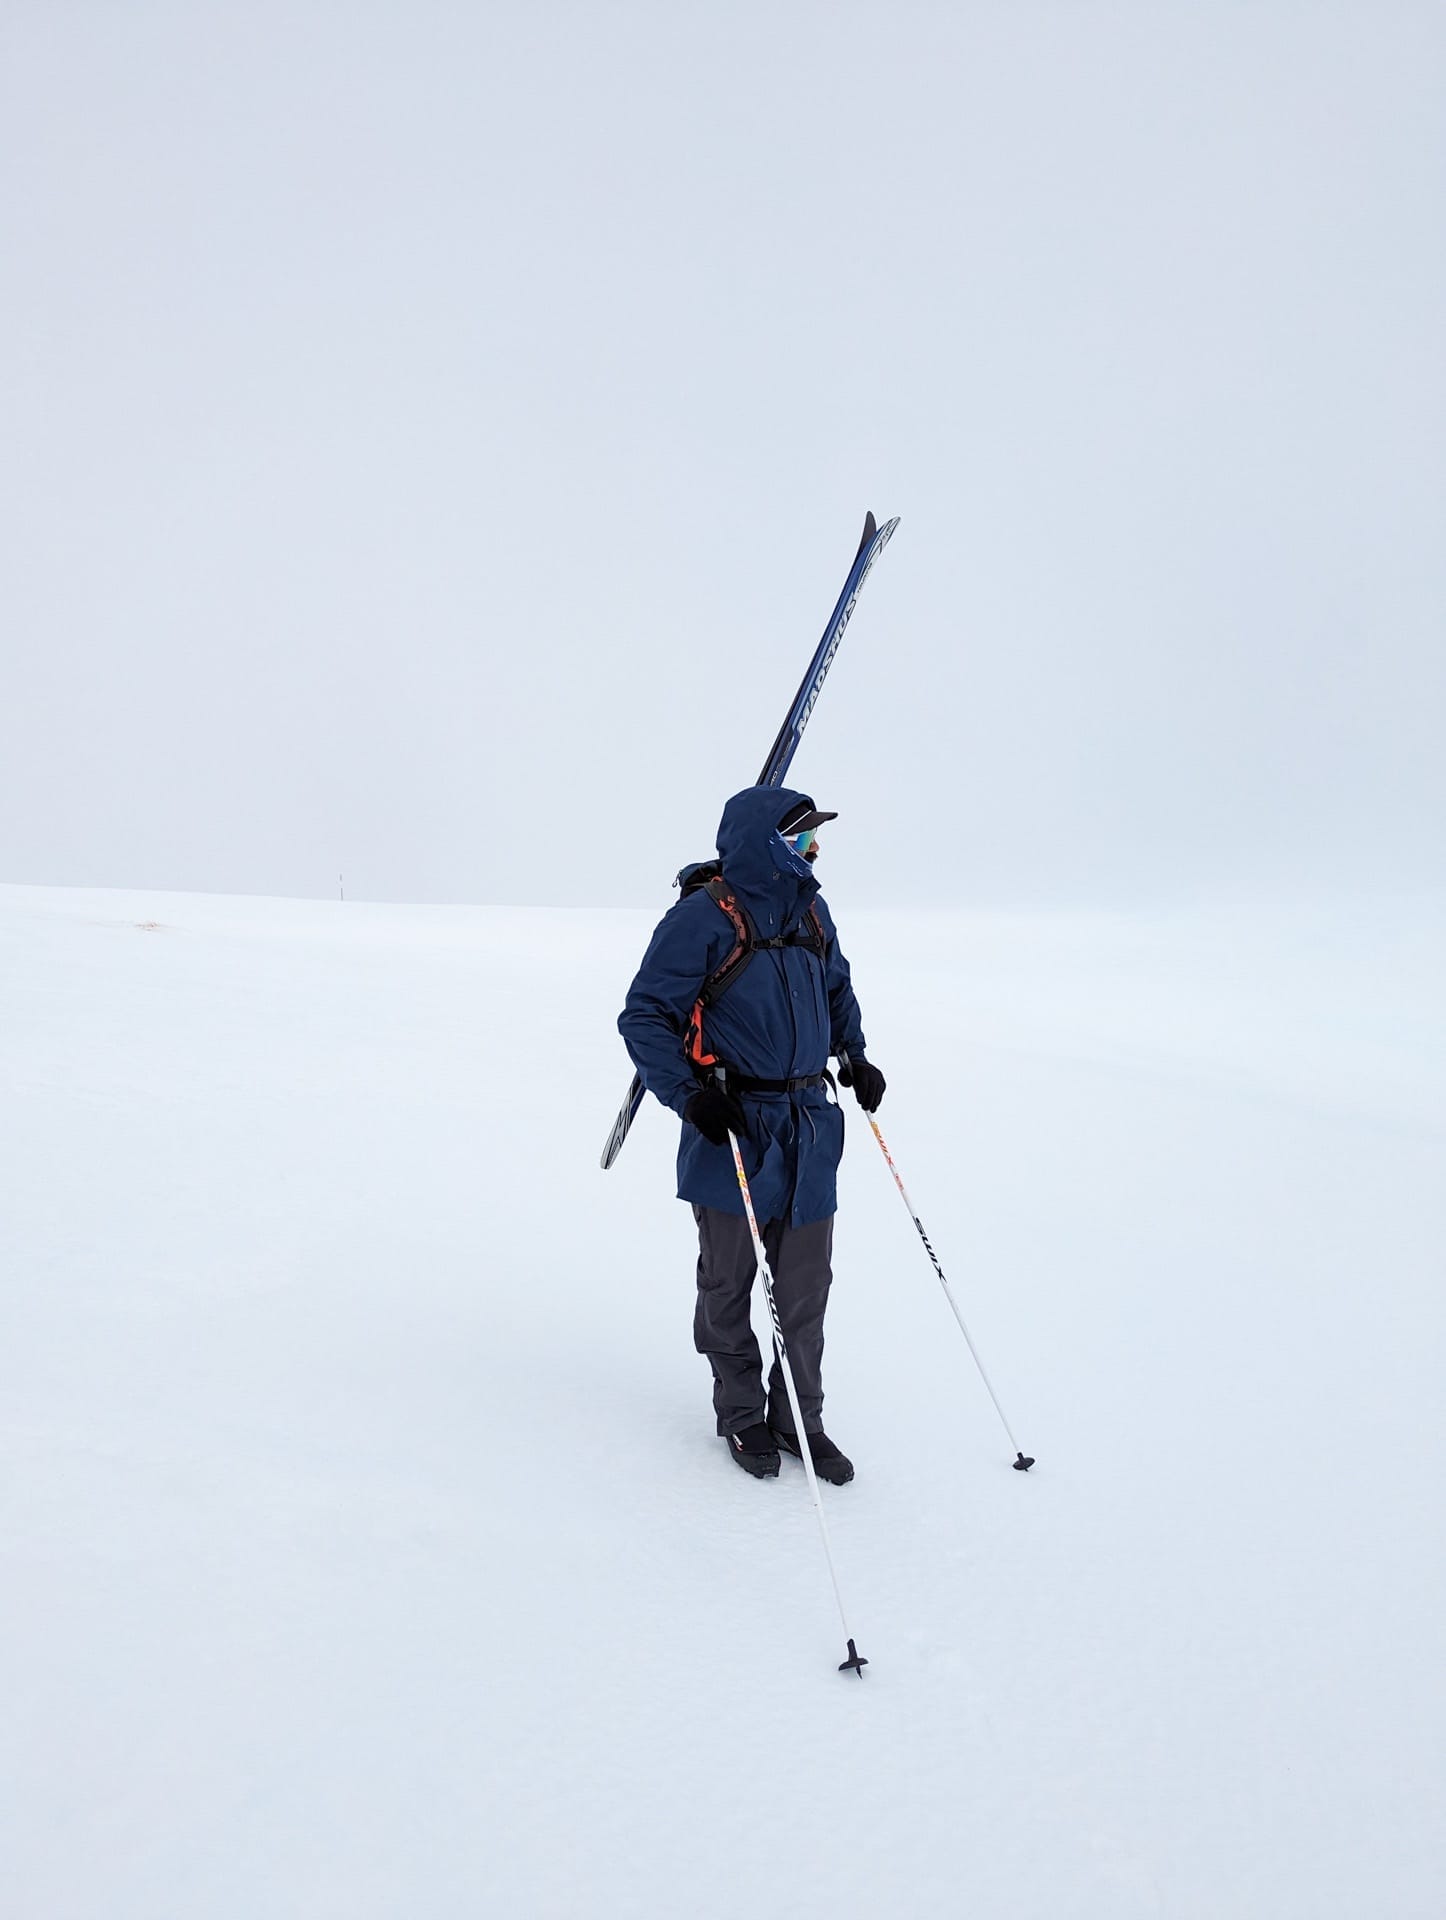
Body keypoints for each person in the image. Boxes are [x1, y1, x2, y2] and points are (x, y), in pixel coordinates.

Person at [617, 786, 886, 1483]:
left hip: (809, 1127)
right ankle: (740, 1415)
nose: (815, 851)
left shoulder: (812, 912)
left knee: (804, 1287)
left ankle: (801, 1420)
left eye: (815, 839)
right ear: (767, 843)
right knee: (729, 1283)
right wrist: (688, 1096)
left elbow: (837, 990)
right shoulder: (702, 919)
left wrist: (854, 1053)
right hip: (732, 1124)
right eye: (801, 840)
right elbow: (644, 1015)